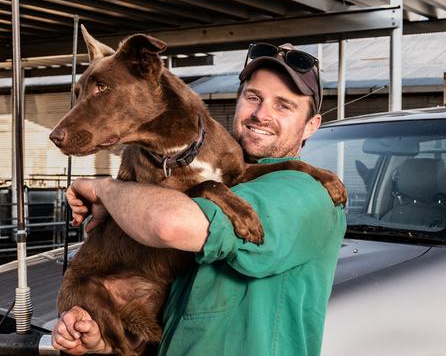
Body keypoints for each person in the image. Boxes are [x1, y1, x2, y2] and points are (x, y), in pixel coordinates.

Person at [51, 43, 346, 355]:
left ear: (311, 126)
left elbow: (169, 223)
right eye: (253, 97)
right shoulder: (228, 166)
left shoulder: (305, 191)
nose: (261, 114)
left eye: (283, 106)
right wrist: (104, 343)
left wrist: (103, 190)